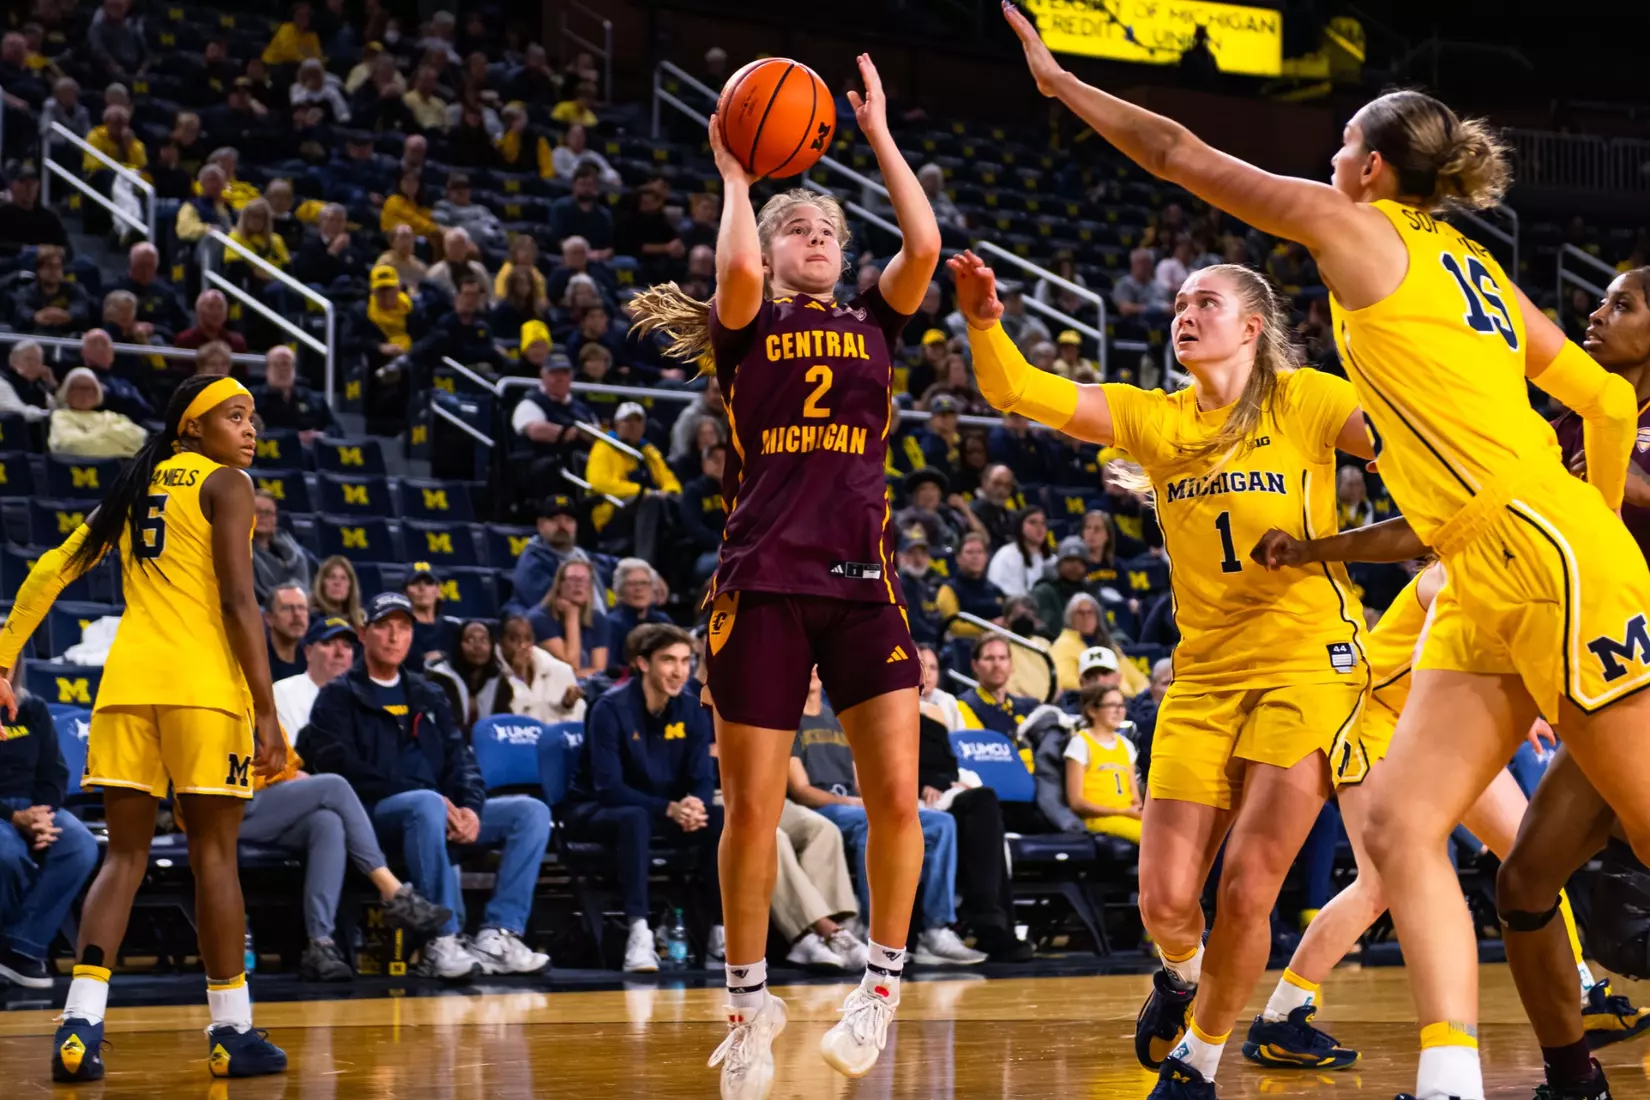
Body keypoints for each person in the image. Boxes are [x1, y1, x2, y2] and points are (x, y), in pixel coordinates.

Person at [1005, 15, 1650, 1099]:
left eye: (1344, 143)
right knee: (1398, 823)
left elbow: (1176, 153)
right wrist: (1593, 519)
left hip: (1544, 553)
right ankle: (1455, 1080)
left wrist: (1062, 85)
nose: (1332, 158)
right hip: (1480, 567)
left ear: (1373, 167)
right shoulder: (1471, 264)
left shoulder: (1354, 228)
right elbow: (1604, 398)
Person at [949, 242, 1371, 1100]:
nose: (1186, 313)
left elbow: (1423, 449)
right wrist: (985, 322)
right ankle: (1180, 977)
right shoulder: (1155, 418)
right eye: (1179, 303)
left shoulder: (1310, 399)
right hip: (1204, 677)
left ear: (1252, 327)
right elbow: (1017, 389)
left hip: (1308, 665)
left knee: (1249, 888)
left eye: (1206, 302)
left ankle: (1198, 1063)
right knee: (1167, 905)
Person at [626, 54, 942, 1095]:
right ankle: (748, 1004)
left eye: (828, 233)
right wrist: (734, 176)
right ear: (766, 252)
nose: (816, 240)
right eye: (797, 230)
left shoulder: (875, 322)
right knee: (751, 810)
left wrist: (878, 132)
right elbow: (734, 269)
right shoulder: (747, 323)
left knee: (896, 800)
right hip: (761, 580)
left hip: (863, 586)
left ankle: (880, 987)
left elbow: (924, 244)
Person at [0, 375, 288, 1080]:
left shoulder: (134, 488)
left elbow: (52, 567)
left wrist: (4, 656)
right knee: (213, 857)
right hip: (202, 690)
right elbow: (240, 602)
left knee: (122, 859)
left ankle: (80, 1026)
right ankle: (232, 1032)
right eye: (235, 416)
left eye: (252, 418)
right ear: (193, 427)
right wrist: (267, 708)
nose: (250, 430)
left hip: (126, 689)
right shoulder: (226, 484)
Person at [296, 592, 553, 980]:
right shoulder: (337, 696)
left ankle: (499, 935)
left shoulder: (428, 693)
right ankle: (442, 941)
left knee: (531, 813)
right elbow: (342, 771)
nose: (394, 637)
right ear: (364, 634)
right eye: (384, 627)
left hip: (435, 810)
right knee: (425, 804)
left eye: (403, 628)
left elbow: (461, 760)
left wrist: (470, 809)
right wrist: (435, 799)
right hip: (371, 816)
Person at [242, 625, 450, 982]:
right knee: (334, 786)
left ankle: (320, 944)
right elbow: (241, 769)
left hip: (263, 804)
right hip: (225, 808)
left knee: (328, 823)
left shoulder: (252, 697)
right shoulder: (223, 699)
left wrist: (291, 774)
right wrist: (289, 777)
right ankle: (393, 892)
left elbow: (282, 757)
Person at [786, 669, 984, 968]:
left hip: (854, 806)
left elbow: (860, 782)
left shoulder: (838, 718)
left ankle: (935, 930)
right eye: (805, 665)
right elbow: (801, 791)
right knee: (873, 826)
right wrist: (855, 803)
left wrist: (879, 801)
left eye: (816, 665)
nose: (811, 671)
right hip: (821, 811)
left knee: (941, 823)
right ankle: (874, 933)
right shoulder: (787, 720)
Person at [562, 624, 723, 973]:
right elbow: (609, 788)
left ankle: (719, 935)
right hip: (596, 809)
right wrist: (669, 808)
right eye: (668, 660)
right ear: (643, 663)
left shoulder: (692, 708)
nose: (679, 671)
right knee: (633, 817)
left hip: (662, 812)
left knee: (721, 819)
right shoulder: (609, 708)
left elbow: (702, 777)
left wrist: (696, 803)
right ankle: (639, 933)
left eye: (685, 660)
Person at [0, 664, 100, 989]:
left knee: (80, 845)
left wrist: (41, 817)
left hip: (35, 807)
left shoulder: (33, 708)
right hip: (4, 812)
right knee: (7, 853)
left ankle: (21, 948)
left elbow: (54, 773)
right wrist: (14, 817)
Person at [1063, 684, 1143, 843]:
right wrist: (1121, 812)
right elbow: (1077, 803)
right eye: (1112, 705)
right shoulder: (1081, 743)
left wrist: (1139, 810)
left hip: (1127, 816)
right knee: (1155, 841)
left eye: (1121, 705)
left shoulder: (1126, 745)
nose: (1119, 711)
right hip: (1098, 819)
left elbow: (1135, 798)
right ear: (1092, 711)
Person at [586, 401, 682, 532]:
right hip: (614, 507)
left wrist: (669, 491)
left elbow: (668, 479)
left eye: (638, 421)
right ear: (617, 425)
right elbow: (599, 483)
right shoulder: (604, 447)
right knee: (650, 503)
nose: (633, 425)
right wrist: (641, 492)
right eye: (627, 421)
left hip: (651, 502)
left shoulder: (648, 450)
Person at [506, 495, 605, 614]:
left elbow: (610, 566)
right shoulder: (533, 562)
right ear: (541, 525)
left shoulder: (581, 555)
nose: (562, 525)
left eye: (568, 520)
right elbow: (550, 610)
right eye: (554, 520)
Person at [480, 613, 583, 725]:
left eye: (528, 639)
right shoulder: (490, 674)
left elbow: (570, 718)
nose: (522, 645)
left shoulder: (558, 670)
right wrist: (519, 678)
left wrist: (566, 705)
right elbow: (513, 720)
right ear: (501, 642)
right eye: (513, 639)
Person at [273, 615, 354, 737]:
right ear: (308, 652)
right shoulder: (283, 692)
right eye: (328, 643)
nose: (340, 652)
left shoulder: (362, 697)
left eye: (347, 646)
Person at [529, 559, 607, 679]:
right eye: (572, 579)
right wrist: (572, 617)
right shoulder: (540, 619)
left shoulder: (597, 619)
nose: (578, 584)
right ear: (559, 585)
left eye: (584, 580)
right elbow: (570, 668)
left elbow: (599, 671)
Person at [47, 367, 145, 458]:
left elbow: (139, 439)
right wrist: (116, 442)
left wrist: (93, 434)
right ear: (66, 392)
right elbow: (70, 445)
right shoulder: (61, 416)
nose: (84, 393)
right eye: (78, 387)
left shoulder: (110, 416)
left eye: (89, 388)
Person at [955, 634, 1038, 737]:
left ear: (1011, 664)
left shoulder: (1028, 708)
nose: (997, 664)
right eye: (989, 658)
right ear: (975, 665)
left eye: (1002, 658)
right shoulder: (962, 706)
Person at [251, 345, 338, 444]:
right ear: (267, 369)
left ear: (294, 368)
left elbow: (335, 430)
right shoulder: (251, 399)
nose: (282, 370)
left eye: (286, 364)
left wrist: (321, 435)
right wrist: (294, 437)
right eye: (276, 365)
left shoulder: (314, 399)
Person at [13, 245, 90, 337]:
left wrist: (67, 315)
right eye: (49, 266)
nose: (54, 271)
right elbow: (21, 311)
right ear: (38, 270)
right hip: (34, 337)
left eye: (58, 266)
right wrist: (35, 317)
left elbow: (82, 310)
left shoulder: (75, 289)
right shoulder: (26, 292)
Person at [607, 559, 672, 668]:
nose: (639, 589)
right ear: (619, 590)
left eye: (644, 583)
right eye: (631, 584)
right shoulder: (611, 624)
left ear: (652, 589)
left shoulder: (663, 621)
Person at [251, 490, 310, 604]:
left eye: (268, 512)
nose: (262, 516)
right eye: (256, 511)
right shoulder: (238, 551)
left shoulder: (294, 551)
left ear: (275, 519)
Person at [0, 159, 66, 254]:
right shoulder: (3, 215)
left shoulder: (49, 217)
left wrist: (57, 252)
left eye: (33, 182)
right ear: (12, 185)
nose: (29, 187)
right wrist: (33, 251)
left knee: (83, 261)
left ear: (38, 185)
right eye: (23, 182)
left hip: (48, 261)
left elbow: (67, 249)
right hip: (13, 262)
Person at [985, 506, 1049, 598]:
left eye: (1043, 523)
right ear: (1020, 526)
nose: (1039, 527)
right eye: (1032, 522)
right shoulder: (1006, 555)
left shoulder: (1051, 559)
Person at [404, 563, 461, 662]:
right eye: (414, 583)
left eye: (428, 583)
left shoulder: (454, 628)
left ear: (438, 591)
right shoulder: (401, 630)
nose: (422, 588)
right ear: (405, 593)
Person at [265, 581, 311, 682]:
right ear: (269, 619)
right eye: (286, 608)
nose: (297, 614)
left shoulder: (313, 654)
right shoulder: (257, 659)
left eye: (301, 607)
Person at [0, 339, 55, 423]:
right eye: (29, 359)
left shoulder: (40, 386)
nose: (33, 364)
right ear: (13, 361)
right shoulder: (3, 382)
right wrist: (44, 414)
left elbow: (58, 410)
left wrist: (51, 385)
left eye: (38, 361)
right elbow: (16, 411)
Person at [311, 555, 365, 626]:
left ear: (350, 585)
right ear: (322, 583)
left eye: (343, 578)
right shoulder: (311, 618)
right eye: (332, 577)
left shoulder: (361, 620)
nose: (337, 583)